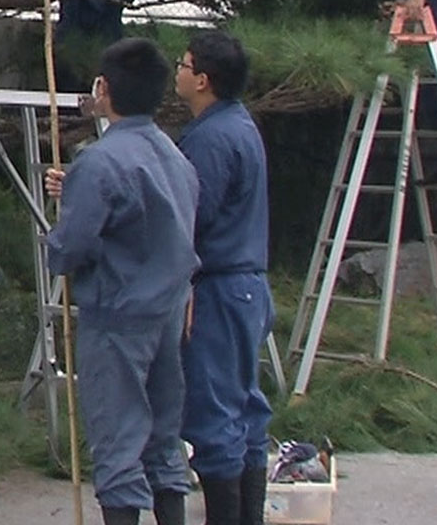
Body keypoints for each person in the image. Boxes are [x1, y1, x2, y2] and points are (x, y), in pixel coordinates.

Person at [44, 38, 199, 525]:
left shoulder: (100, 159)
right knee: (163, 441)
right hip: (168, 313)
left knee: (118, 441)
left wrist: (59, 231)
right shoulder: (175, 157)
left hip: (116, 318)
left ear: (104, 89)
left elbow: (72, 247)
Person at [174, 31, 273, 525]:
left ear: (203, 80)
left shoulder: (210, 138)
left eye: (184, 63)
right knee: (245, 412)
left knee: (215, 419)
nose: (178, 70)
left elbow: (190, 219)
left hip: (218, 286)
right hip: (248, 285)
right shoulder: (240, 124)